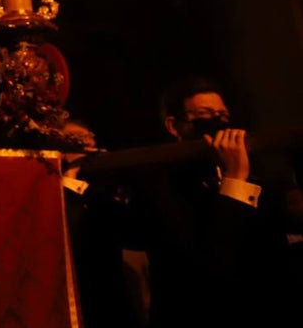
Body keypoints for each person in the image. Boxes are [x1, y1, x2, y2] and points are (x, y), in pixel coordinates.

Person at [123, 75, 291, 328]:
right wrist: (235, 180)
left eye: (222, 115)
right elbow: (206, 270)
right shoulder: (158, 186)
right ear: (174, 125)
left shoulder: (253, 177)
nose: (217, 122)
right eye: (204, 113)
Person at [58, 118, 143, 328]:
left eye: (88, 138)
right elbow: (67, 235)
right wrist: (71, 175)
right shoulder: (53, 192)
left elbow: (137, 236)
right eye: (75, 139)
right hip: (71, 303)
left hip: (111, 306)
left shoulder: (101, 195)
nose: (86, 144)